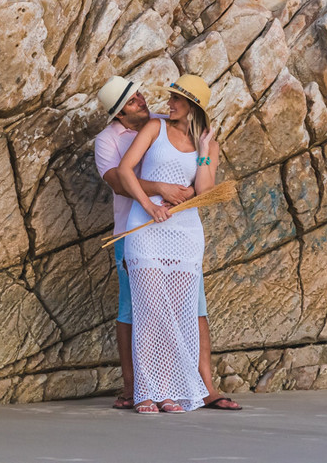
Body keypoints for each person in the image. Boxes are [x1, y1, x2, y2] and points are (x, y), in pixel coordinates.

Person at [102, 74, 241, 413]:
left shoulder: (208, 144)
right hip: (145, 229)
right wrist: (150, 204)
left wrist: (205, 154)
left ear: (193, 106)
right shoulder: (154, 128)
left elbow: (205, 192)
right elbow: (124, 170)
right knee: (149, 313)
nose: (169, 103)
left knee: (181, 314)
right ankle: (146, 392)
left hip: (185, 235)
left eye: (177, 99)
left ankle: (171, 392)